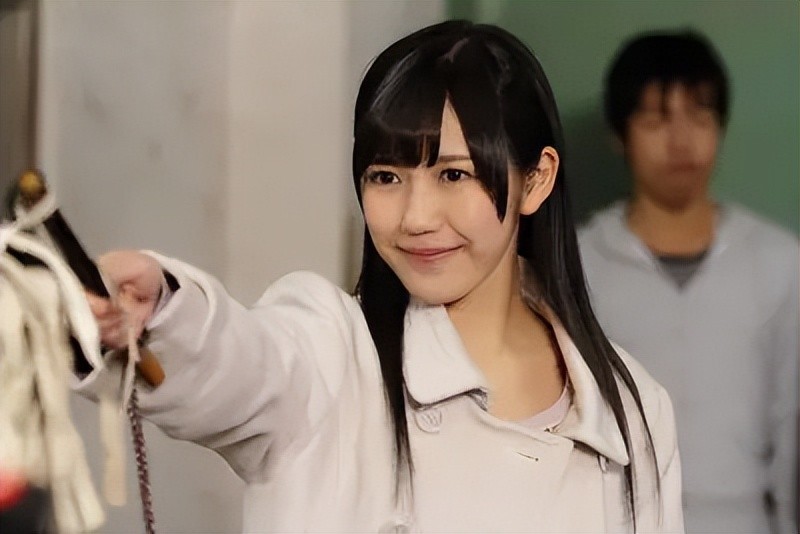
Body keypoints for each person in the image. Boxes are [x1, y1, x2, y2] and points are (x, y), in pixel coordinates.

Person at [83, 21, 683, 532]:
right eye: (386, 177)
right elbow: (240, 362)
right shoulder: (335, 355)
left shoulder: (631, 410)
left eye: (453, 175)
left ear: (535, 180)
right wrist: (160, 312)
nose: (416, 218)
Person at [578, 30, 798, 533]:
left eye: (699, 117)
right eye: (656, 120)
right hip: (618, 519)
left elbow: (792, 424)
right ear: (620, 134)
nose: (681, 141)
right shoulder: (579, 262)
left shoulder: (780, 262)